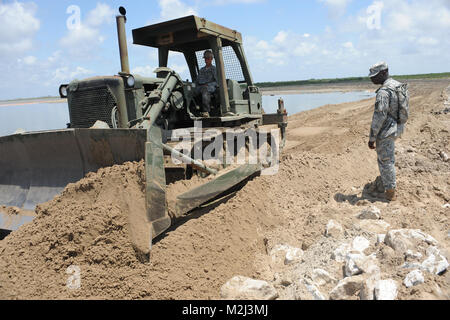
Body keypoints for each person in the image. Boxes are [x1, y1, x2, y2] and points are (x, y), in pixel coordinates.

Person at [368, 62, 405, 201]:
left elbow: (379, 116)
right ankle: (389, 185)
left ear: (384, 72)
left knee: (385, 161)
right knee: (389, 158)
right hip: (397, 126)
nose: (372, 79)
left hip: (386, 130)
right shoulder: (397, 85)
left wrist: (372, 138)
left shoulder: (384, 92)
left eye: (375, 75)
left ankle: (390, 193)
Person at [195, 50, 218, 117]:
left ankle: (206, 111)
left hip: (210, 88)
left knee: (205, 89)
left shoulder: (214, 69)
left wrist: (208, 85)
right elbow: (197, 81)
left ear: (211, 59)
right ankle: (194, 111)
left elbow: (217, 82)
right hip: (200, 87)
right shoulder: (202, 70)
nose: (206, 60)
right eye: (205, 58)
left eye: (208, 58)